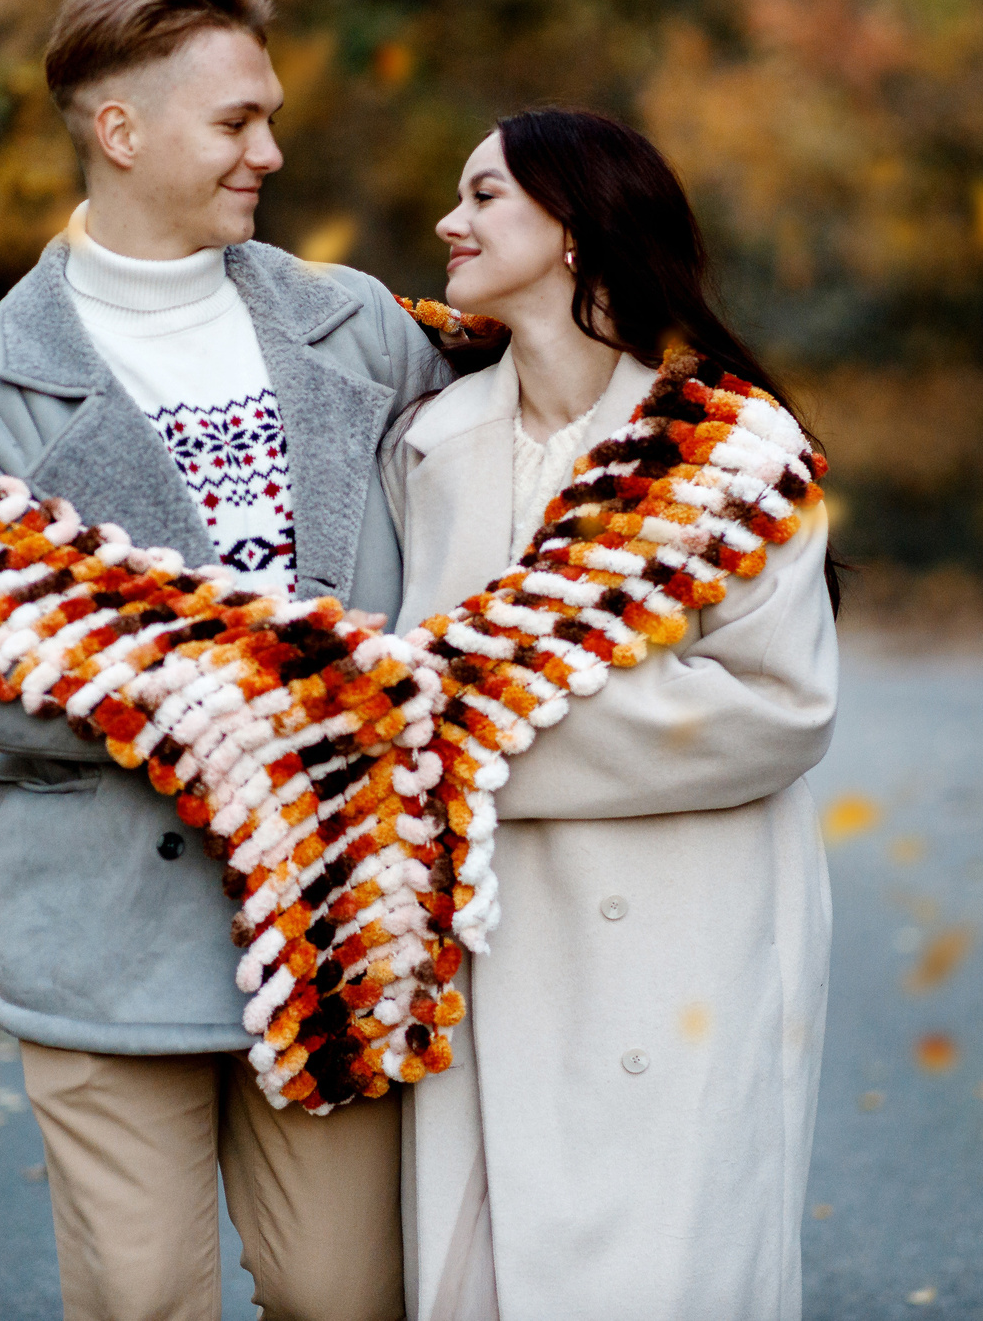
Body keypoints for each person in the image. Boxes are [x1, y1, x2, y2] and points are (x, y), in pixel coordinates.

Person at [0, 0, 443, 1321]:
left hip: (335, 914)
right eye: (236, 121)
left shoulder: (361, 327)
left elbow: (487, 504)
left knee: (348, 1293)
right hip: (108, 922)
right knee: (142, 1296)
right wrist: (295, 698)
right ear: (121, 130)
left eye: (269, 114)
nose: (270, 147)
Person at [388, 108, 840, 1321]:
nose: (450, 221)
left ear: (575, 229)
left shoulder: (729, 449)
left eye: (483, 196)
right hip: (495, 949)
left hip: (686, 944)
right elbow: (389, 695)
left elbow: (781, 708)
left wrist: (473, 729)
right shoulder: (426, 444)